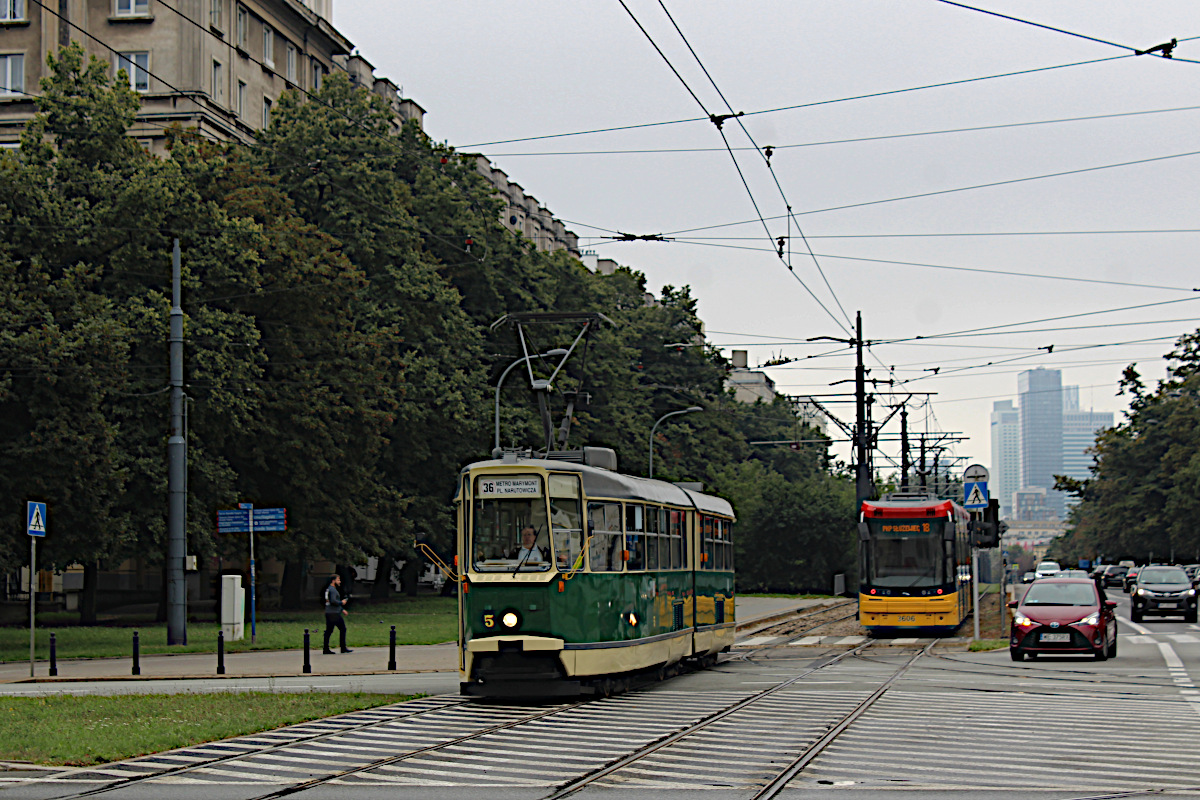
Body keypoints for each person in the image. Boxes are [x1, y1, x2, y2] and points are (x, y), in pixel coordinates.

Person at [323, 574, 352, 654]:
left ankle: (325, 648)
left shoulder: (329, 589)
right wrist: (341, 602)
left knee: (329, 631)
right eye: (338, 580)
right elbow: (333, 601)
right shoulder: (332, 590)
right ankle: (343, 648)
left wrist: (342, 610)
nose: (340, 582)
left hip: (329, 612)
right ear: (333, 581)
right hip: (334, 613)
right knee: (343, 629)